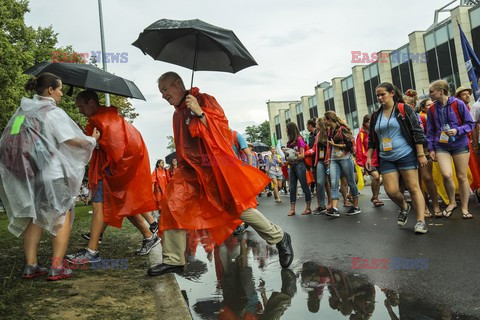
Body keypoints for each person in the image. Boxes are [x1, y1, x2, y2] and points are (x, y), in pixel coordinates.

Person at [148, 72, 293, 276]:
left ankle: (279, 237)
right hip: (189, 172)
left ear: (178, 84)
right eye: (161, 92)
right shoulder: (177, 114)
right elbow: (183, 146)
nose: (163, 96)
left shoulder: (204, 100)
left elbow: (223, 132)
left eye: (165, 90)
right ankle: (173, 260)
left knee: (238, 208)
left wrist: (200, 113)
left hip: (214, 168)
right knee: (171, 205)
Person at [0, 73, 99, 280]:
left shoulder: (22, 112)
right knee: (62, 216)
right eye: (60, 89)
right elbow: (71, 140)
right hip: (52, 174)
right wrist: (91, 140)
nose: (62, 93)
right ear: (50, 90)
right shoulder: (52, 112)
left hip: (30, 174)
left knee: (33, 217)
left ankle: (31, 265)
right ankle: (56, 267)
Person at [67, 90, 159, 264]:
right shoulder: (108, 117)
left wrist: (89, 141)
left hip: (111, 170)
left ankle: (92, 251)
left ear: (91, 102)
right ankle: (149, 236)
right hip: (119, 167)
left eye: (81, 106)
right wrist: (88, 139)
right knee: (122, 205)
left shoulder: (101, 119)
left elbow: (113, 147)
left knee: (99, 206)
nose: (79, 110)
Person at [366, 82, 427, 233]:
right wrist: (368, 157)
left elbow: (416, 131)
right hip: (386, 157)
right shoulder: (376, 115)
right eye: (378, 95)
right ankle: (405, 206)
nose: (380, 98)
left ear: (392, 93)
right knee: (391, 191)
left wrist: (420, 154)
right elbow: (372, 138)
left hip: (405, 153)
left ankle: (421, 221)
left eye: (383, 94)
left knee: (413, 188)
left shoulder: (403, 109)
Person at [426, 80, 475, 219]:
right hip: (441, 145)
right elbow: (430, 131)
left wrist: (457, 130)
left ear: (441, 91)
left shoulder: (457, 103)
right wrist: (431, 149)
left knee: (461, 176)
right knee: (446, 175)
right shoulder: (432, 109)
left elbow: (470, 123)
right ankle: (452, 202)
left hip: (460, 144)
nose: (429, 94)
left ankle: (465, 208)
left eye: (431, 91)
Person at [324, 111, 361, 217]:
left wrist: (335, 144)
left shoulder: (342, 129)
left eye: (326, 120)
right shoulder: (330, 130)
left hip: (345, 158)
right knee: (334, 182)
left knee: (351, 181)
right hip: (334, 159)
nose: (325, 122)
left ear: (329, 119)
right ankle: (335, 208)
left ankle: (356, 206)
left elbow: (349, 144)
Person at [305, 117, 332, 214]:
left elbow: (332, 147)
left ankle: (332, 203)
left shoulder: (330, 133)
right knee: (320, 183)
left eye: (317, 125)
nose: (316, 126)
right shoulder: (318, 135)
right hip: (320, 161)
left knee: (330, 182)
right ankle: (322, 205)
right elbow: (314, 148)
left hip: (330, 160)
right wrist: (304, 154)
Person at [356, 114, 383, 207]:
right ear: (364, 123)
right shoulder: (361, 134)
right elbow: (359, 148)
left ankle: (375, 197)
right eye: (368, 121)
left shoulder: (377, 130)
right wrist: (361, 162)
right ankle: (375, 198)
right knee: (376, 177)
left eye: (371, 121)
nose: (370, 123)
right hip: (368, 160)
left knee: (378, 178)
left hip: (380, 158)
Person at [286, 122, 312, 216]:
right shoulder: (289, 143)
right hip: (292, 166)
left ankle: (308, 207)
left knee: (304, 186)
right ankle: (292, 208)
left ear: (290, 129)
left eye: (287, 128)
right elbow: (287, 155)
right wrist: (288, 160)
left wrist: (294, 158)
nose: (286, 130)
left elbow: (302, 155)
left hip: (299, 165)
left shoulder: (299, 140)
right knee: (292, 187)